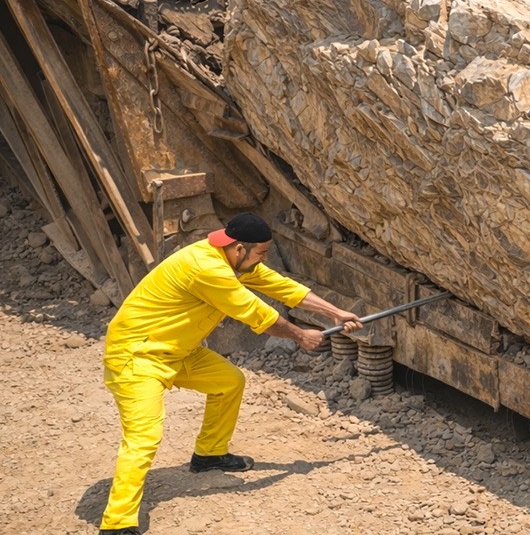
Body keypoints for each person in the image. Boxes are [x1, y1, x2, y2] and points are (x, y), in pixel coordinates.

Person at [98, 212, 363, 535]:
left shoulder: (230, 259)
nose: (263, 259)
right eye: (261, 253)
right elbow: (260, 315)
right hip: (137, 356)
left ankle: (209, 455)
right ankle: (116, 523)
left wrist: (335, 312)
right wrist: (300, 335)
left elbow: (281, 286)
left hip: (176, 351)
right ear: (239, 249)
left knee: (229, 382)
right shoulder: (208, 269)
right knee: (144, 437)